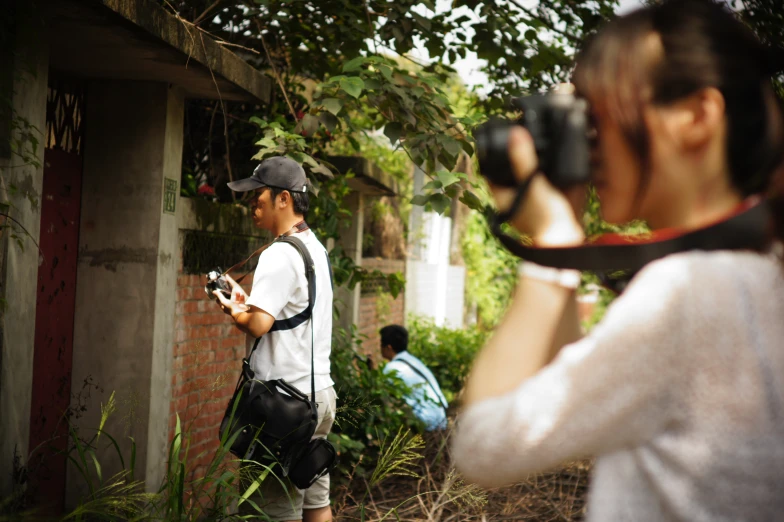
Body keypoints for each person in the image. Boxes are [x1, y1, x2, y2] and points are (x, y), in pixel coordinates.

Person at [451, 1, 784, 521]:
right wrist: (563, 239)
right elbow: (554, 388)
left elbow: (482, 449)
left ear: (697, 116)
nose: (591, 142)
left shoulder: (689, 291)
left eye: (602, 110)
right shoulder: (758, 273)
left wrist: (553, 238)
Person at [213, 156, 335, 522]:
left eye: (259, 195)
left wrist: (233, 311)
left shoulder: (279, 253)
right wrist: (245, 303)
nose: (253, 204)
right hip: (318, 399)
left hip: (282, 406)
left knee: (269, 512)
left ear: (284, 198)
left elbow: (259, 325)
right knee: (316, 503)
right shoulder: (314, 247)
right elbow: (287, 314)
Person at [380, 325, 448, 431]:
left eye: (381, 345)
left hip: (426, 422)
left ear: (388, 347)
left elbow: (378, 392)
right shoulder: (413, 360)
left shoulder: (391, 368)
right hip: (441, 418)